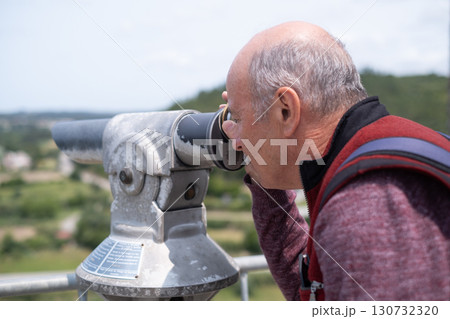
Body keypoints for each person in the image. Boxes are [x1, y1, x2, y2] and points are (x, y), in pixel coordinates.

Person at [219, 21, 450, 301]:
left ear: (285, 110)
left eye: (238, 118)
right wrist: (263, 177)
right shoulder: (379, 153)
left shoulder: (368, 203)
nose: (236, 140)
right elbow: (319, 290)